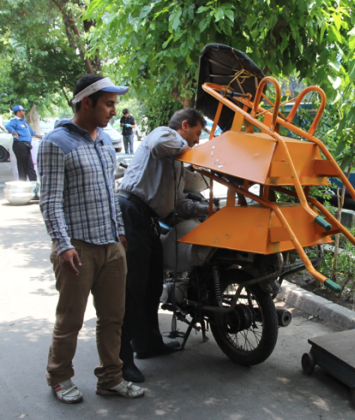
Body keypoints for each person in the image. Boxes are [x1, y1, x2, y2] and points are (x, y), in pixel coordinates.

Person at [38, 74, 144, 403]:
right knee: (70, 319)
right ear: (87, 102)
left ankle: (110, 377)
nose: (115, 110)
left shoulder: (103, 142)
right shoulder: (56, 143)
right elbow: (50, 201)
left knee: (113, 318)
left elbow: (111, 194)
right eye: (109, 104)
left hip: (111, 245)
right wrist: (63, 244)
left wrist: (120, 233)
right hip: (77, 248)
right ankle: (59, 376)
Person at [117, 108, 209, 383]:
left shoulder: (177, 161)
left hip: (149, 220)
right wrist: (199, 154)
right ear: (184, 125)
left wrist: (210, 209)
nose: (196, 141)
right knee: (133, 288)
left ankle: (147, 344)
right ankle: (121, 362)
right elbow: (159, 145)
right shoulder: (164, 135)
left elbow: (179, 204)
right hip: (131, 212)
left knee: (153, 282)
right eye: (196, 133)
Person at [5, 105, 42, 181]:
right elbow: (8, 126)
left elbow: (29, 131)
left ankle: (33, 182)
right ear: (18, 112)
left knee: (30, 165)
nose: (24, 112)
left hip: (26, 145)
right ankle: (23, 183)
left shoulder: (23, 121)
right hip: (20, 144)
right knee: (22, 166)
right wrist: (14, 132)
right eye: (23, 111)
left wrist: (36, 135)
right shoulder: (15, 121)